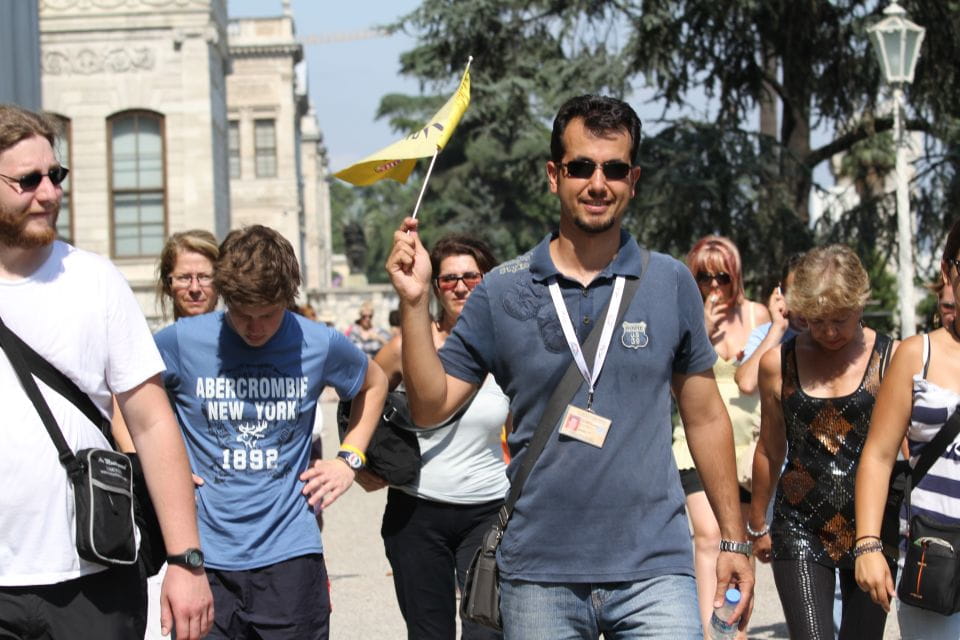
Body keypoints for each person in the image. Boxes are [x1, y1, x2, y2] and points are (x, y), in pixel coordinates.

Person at [387, 94, 753, 638]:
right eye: (581, 166)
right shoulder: (501, 291)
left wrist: (732, 538)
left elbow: (704, 417)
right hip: (539, 574)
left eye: (614, 169)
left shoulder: (670, 282)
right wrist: (415, 305)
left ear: (634, 179)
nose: (597, 183)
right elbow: (430, 404)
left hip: (655, 569)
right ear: (554, 175)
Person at [0, 104, 213, 638]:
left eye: (56, 175)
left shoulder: (95, 282)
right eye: (27, 181)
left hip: (91, 578)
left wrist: (187, 562)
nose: (48, 193)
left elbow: (152, 423)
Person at [153, 224, 388, 639]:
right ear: (225, 296)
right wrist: (151, 466)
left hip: (291, 557)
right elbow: (126, 399)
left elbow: (375, 383)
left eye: (269, 314)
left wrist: (349, 460)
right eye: (243, 314)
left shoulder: (318, 341)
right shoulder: (181, 341)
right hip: (206, 557)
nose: (256, 328)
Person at [361, 234, 509, 640]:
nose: (460, 286)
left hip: (488, 510)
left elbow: (521, 430)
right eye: (448, 279)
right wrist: (360, 462)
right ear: (434, 285)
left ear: (487, 280)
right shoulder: (406, 345)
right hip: (416, 512)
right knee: (430, 634)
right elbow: (359, 401)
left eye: (470, 277)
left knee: (488, 633)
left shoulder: (508, 346)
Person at [749, 245, 895, 639]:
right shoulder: (777, 363)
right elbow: (769, 447)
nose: (829, 332)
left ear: (860, 305)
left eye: (840, 320)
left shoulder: (890, 358)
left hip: (873, 526)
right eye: (816, 321)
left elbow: (903, 449)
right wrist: (757, 521)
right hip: (799, 524)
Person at [855, 218, 960, 639]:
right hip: (935, 557)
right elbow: (879, 456)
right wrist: (867, 544)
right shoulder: (919, 354)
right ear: (947, 270)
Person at [671, 235, 770, 636]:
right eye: (704, 277)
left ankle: (735, 628)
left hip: (748, 449)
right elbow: (666, 386)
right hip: (696, 446)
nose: (714, 286)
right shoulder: (683, 315)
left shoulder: (757, 315)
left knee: (740, 541)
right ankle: (709, 631)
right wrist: (702, 332)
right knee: (711, 535)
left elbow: (767, 376)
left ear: (737, 277)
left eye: (722, 277)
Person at [735, 252, 807, 395]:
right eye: (794, 295)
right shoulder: (766, 334)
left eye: (809, 294)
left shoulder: (831, 334)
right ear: (781, 292)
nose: (802, 304)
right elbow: (747, 384)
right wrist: (778, 328)